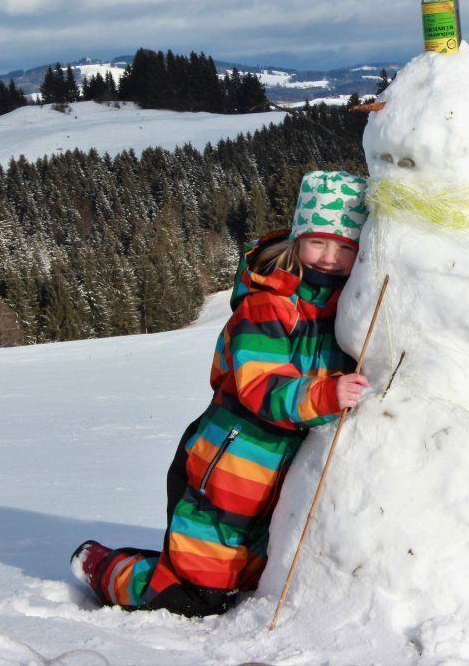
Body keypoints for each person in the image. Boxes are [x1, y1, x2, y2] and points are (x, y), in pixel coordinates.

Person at [71, 170, 370, 617]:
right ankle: (101, 566)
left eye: (345, 247)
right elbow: (259, 385)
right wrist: (327, 395)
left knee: (245, 578)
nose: (330, 258)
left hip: (283, 471)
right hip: (231, 461)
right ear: (296, 239)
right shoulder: (269, 303)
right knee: (193, 595)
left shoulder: (348, 307)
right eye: (318, 243)